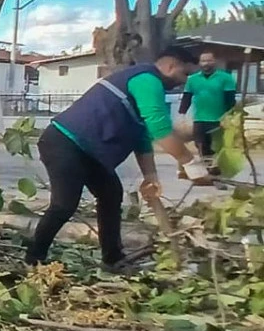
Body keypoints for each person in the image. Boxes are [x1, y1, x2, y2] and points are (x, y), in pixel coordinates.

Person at [26, 45, 212, 269]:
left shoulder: (146, 83)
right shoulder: (146, 79)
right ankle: (33, 260)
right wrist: (191, 162)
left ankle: (113, 259)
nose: (184, 82)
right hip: (65, 142)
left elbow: (142, 135)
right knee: (64, 205)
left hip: (89, 151)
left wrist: (150, 176)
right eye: (185, 74)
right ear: (171, 65)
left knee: (112, 195)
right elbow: (159, 128)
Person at [179, 50, 237, 171]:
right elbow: (186, 98)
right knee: (201, 146)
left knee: (217, 147)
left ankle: (217, 173)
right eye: (203, 60)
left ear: (214, 61)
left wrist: (229, 117)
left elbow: (230, 100)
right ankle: (209, 172)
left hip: (219, 119)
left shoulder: (225, 78)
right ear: (200, 63)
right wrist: (182, 116)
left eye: (209, 60)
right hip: (200, 119)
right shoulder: (192, 79)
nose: (206, 63)